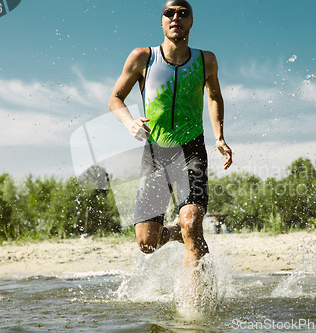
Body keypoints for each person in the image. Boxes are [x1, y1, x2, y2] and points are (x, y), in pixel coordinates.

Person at [108, 0, 232, 271]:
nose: (176, 17)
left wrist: (219, 137)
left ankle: (197, 308)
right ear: (162, 21)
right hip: (156, 152)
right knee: (147, 243)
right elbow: (115, 99)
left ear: (191, 22)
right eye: (169, 13)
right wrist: (129, 122)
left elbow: (214, 97)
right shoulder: (143, 58)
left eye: (183, 13)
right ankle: (177, 232)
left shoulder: (205, 60)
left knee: (191, 223)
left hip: (192, 150)